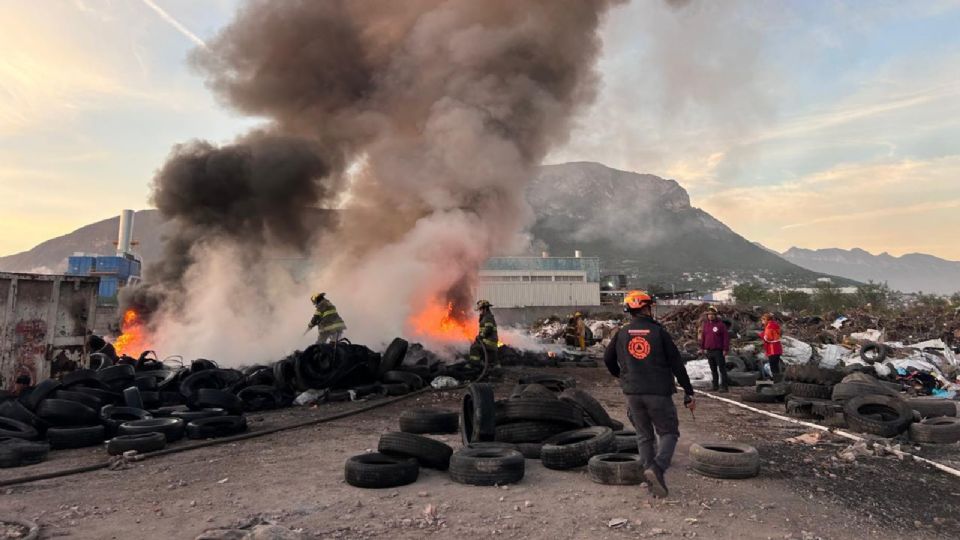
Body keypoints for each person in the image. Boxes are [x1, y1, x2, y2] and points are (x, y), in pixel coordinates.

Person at [603, 290, 696, 498]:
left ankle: (648, 475)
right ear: (646, 307)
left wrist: (622, 377)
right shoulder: (659, 332)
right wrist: (688, 391)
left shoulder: (622, 332)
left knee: (644, 435)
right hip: (658, 392)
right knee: (669, 433)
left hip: (633, 392)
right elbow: (677, 364)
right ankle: (658, 468)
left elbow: (608, 359)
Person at [699, 306, 730, 392]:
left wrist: (725, 349)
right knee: (713, 369)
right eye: (709, 314)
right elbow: (703, 337)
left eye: (712, 314)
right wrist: (702, 347)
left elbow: (726, 338)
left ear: (716, 315)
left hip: (718, 350)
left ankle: (724, 386)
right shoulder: (706, 325)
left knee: (722, 369)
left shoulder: (721, 325)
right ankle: (715, 385)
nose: (711, 316)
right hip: (709, 350)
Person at [468, 300, 499, 366]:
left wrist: (480, 336)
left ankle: (474, 365)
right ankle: (485, 364)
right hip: (489, 342)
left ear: (484, 309)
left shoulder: (487, 317)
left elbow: (488, 329)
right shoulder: (486, 317)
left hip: (489, 343)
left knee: (474, 347)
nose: (480, 311)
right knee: (476, 345)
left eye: (480, 310)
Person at [759, 312, 783, 379]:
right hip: (778, 348)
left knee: (773, 367)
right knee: (776, 366)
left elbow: (768, 337)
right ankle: (778, 381)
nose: (762, 322)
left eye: (763, 320)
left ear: (766, 319)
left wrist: (762, 335)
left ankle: (775, 382)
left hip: (772, 349)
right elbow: (778, 333)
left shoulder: (769, 326)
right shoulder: (775, 325)